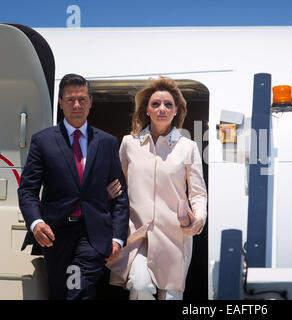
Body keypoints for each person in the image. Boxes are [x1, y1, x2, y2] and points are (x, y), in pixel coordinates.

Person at [18, 73, 130, 300]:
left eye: (82, 99)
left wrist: (117, 237)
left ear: (90, 102)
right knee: (62, 293)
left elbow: (120, 195)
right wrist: (36, 222)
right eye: (70, 100)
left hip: (92, 235)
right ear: (60, 103)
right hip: (55, 234)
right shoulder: (43, 141)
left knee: (77, 291)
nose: (76, 105)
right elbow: (28, 190)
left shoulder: (106, 142)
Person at [106, 77, 207, 300]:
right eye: (155, 104)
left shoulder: (187, 147)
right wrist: (107, 196)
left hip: (174, 235)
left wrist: (198, 219)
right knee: (140, 285)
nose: (162, 109)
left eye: (168, 104)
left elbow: (198, 192)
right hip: (136, 234)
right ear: (147, 110)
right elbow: (117, 184)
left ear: (176, 111)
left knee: (170, 297)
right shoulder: (128, 143)